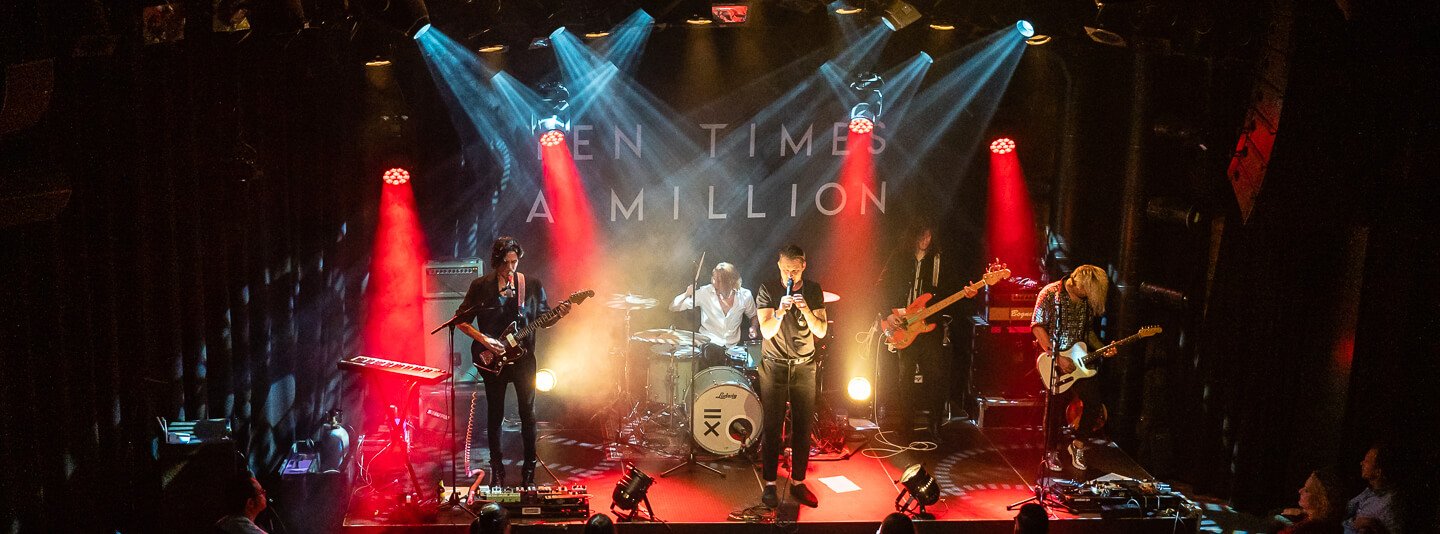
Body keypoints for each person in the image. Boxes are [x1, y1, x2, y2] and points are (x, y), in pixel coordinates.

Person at [455, 237, 572, 487]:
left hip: (523, 359)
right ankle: (497, 469)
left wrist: (559, 315)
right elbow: (461, 321)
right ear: (496, 262)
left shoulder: (531, 285)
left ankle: (529, 470)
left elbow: (544, 318)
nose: (510, 268)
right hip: (492, 359)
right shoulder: (481, 286)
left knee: (528, 413)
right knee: (495, 415)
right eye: (505, 263)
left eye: (514, 262)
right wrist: (485, 340)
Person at [879, 222, 976, 439]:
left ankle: (935, 425)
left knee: (936, 377)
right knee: (905, 378)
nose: (926, 241)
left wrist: (967, 294)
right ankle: (906, 426)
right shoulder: (899, 258)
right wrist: (888, 313)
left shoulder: (939, 261)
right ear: (912, 236)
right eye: (922, 236)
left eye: (929, 237)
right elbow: (882, 286)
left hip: (930, 326)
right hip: (904, 325)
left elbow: (952, 289)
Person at [755, 245, 828, 508]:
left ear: (803, 266)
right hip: (774, 365)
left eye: (794, 270)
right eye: (786, 269)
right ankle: (770, 484)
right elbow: (766, 331)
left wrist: (806, 310)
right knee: (772, 426)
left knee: (803, 426)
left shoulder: (813, 290)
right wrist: (780, 311)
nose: (790, 274)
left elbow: (821, 331)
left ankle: (798, 481)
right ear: (779, 265)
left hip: (804, 365)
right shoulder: (767, 289)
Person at [1030, 264, 1109, 472]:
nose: (1089, 295)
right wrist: (1057, 357)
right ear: (1078, 283)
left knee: (1094, 402)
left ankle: (1078, 445)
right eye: (1088, 290)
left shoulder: (1085, 302)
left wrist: (1102, 348)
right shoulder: (1050, 294)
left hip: (1078, 361)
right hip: (1053, 359)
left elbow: (1088, 332)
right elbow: (1037, 326)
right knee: (1055, 407)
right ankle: (1051, 451)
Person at [669, 261, 759, 366]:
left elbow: (753, 315)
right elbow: (673, 307)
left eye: (719, 281)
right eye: (713, 278)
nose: (714, 282)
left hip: (732, 349)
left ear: (731, 282)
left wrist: (754, 327)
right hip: (708, 347)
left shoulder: (745, 295)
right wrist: (686, 294)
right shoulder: (704, 292)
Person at [1343, 444, 1400, 534]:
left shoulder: (1389, 503)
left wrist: (1371, 524)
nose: (1361, 463)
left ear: (1378, 471)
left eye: (1367, 461)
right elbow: (1347, 510)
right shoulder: (1369, 491)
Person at [1278, 469, 1345, 534]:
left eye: (1307, 490)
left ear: (1321, 500)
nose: (1300, 491)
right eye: (1304, 487)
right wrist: (1302, 511)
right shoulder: (1324, 521)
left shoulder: (1310, 530)